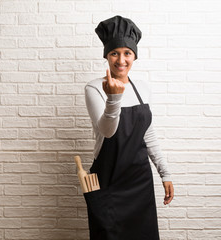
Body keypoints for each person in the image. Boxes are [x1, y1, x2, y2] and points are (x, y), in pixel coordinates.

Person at [83, 15, 174, 240]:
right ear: (106, 55)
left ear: (134, 56)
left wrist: (165, 172)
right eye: (114, 53)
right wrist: (113, 98)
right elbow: (107, 131)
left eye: (127, 53)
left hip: (139, 181)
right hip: (108, 181)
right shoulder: (94, 88)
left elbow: (148, 132)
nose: (121, 60)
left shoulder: (142, 88)